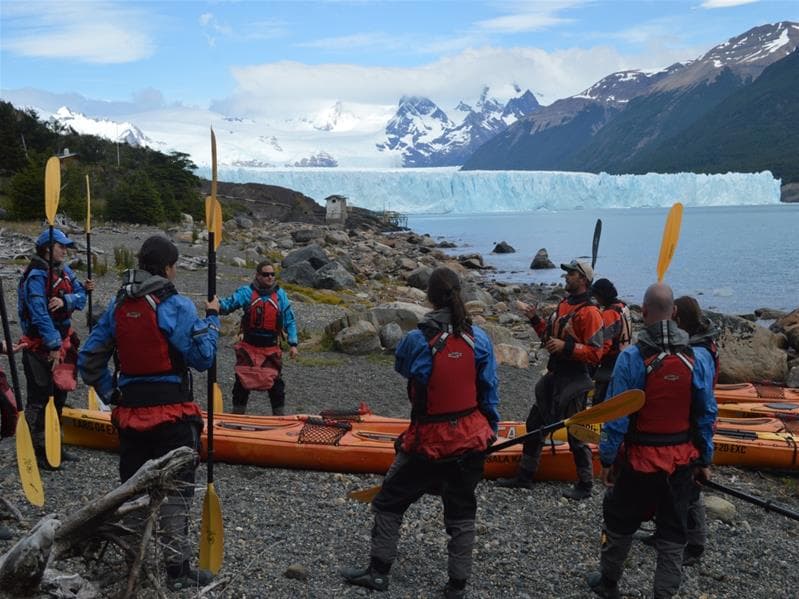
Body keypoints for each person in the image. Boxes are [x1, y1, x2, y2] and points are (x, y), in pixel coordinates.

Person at [341, 267, 500, 599]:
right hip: (471, 440)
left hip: (428, 442)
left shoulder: (417, 340)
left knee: (388, 502)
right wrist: (490, 433)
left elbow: (404, 368)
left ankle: (379, 574)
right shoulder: (480, 339)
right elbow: (489, 392)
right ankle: (457, 586)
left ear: (429, 296)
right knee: (461, 512)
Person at [78, 235, 220, 591]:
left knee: (133, 491)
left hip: (130, 416)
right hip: (173, 413)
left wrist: (113, 395)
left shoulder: (118, 305)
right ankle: (177, 571)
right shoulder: (177, 304)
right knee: (176, 492)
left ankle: (133, 564)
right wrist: (213, 322)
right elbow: (202, 359)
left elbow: (89, 359)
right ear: (169, 268)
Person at [587, 283, 717, 599]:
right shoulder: (697, 359)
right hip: (680, 463)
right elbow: (705, 414)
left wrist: (607, 460)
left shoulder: (632, 358)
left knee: (619, 523)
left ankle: (609, 582)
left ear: (643, 312)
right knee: (673, 533)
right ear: (673, 313)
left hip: (639, 462)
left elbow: (617, 416)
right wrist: (704, 459)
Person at [497, 259, 604, 500]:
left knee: (577, 434)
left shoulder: (591, 313)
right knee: (535, 423)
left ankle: (585, 485)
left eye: (572, 274)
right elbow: (549, 338)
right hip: (555, 376)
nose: (566, 276)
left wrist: (567, 347)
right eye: (567, 273)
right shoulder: (565, 304)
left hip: (575, 379)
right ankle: (525, 477)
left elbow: (596, 353)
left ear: (583, 280)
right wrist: (535, 319)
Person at [17, 228, 89, 468]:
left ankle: (55, 444)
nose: (65, 250)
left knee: (59, 395)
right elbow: (38, 314)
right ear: (47, 248)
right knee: (40, 398)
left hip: (63, 342)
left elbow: (81, 295)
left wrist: (66, 300)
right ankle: (38, 450)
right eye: (61, 246)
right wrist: (53, 345)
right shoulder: (36, 277)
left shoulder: (64, 271)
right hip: (41, 347)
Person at [674, 295, 719, 567]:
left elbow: (704, 405)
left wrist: (705, 454)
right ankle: (667, 532)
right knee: (674, 482)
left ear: (679, 319)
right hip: (685, 424)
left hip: (694, 426)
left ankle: (696, 544)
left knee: (691, 487)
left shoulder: (699, 355)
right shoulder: (701, 343)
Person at [218, 261, 298, 415]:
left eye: (272, 274)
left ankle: (279, 419)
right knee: (241, 382)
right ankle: (237, 416)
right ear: (257, 275)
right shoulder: (246, 293)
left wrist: (293, 344)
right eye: (265, 274)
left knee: (276, 385)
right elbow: (228, 304)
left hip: (271, 347)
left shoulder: (280, 296)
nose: (269, 277)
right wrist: (216, 306)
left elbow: (290, 320)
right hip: (249, 346)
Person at [590, 278, 632, 405]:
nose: (596, 299)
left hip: (611, 363)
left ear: (602, 295)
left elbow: (605, 345)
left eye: (596, 295)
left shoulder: (609, 313)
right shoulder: (623, 307)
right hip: (625, 356)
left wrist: (592, 358)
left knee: (601, 399)